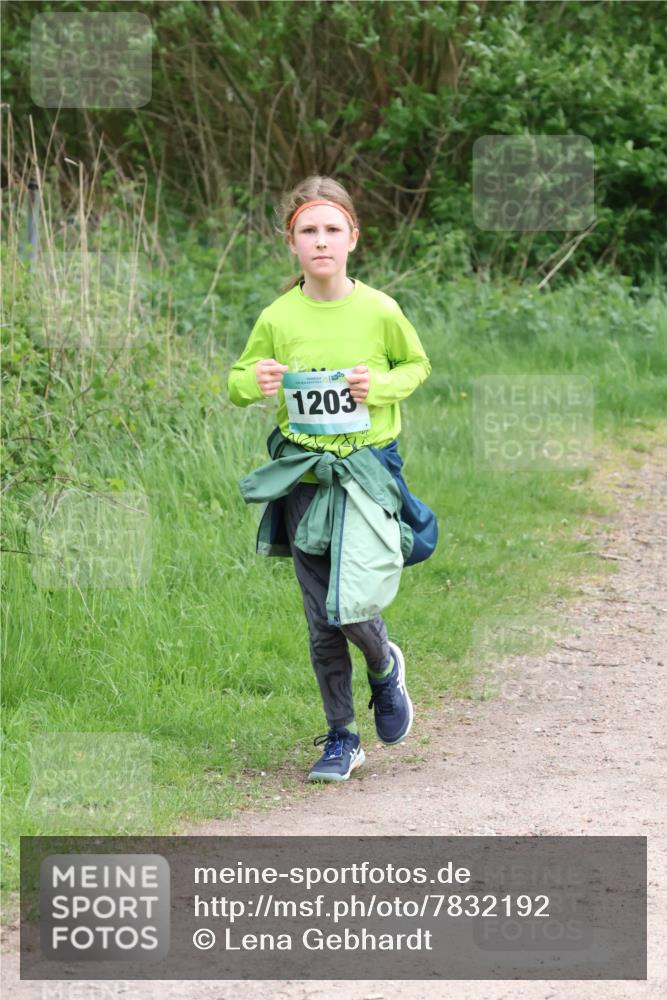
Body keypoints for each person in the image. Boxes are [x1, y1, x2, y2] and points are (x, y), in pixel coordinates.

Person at [227, 175, 434, 783]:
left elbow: (417, 365)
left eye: (332, 230)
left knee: (350, 607)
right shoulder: (277, 316)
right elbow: (239, 380)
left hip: (367, 469)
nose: (321, 241)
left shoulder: (379, 310)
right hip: (305, 473)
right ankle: (342, 736)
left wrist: (383, 386)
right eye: (308, 231)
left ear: (353, 238)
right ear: (292, 242)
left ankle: (383, 665)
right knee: (320, 616)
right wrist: (256, 380)